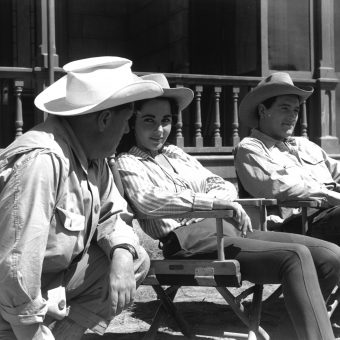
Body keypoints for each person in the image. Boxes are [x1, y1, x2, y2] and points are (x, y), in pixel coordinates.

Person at [116, 73, 340, 340]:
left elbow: (220, 184)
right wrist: (209, 202)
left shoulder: (177, 154)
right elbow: (148, 200)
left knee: (330, 256)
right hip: (188, 240)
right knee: (295, 256)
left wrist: (217, 200)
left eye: (165, 120)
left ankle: (290, 334)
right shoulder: (128, 162)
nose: (159, 130)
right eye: (149, 121)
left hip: (228, 231)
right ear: (132, 123)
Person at [0, 56, 165, 340]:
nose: (127, 130)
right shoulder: (43, 161)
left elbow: (113, 214)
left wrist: (123, 255)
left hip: (47, 282)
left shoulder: (92, 157)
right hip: (8, 296)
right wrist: (30, 329)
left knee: (134, 260)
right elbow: (16, 265)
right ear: (104, 119)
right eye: (126, 121)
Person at [234, 72, 340, 244]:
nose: (292, 117)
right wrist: (330, 196)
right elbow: (280, 187)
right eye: (285, 108)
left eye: (296, 110)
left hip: (330, 216)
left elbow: (336, 171)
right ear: (262, 110)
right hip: (296, 225)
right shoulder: (250, 149)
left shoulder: (305, 145)